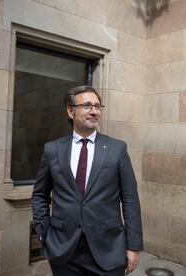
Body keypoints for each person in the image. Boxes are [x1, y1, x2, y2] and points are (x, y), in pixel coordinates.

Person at [31, 85, 143, 276]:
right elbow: (40, 195)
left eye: (98, 106)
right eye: (87, 106)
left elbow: (130, 200)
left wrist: (133, 246)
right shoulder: (53, 150)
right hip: (64, 251)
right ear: (70, 110)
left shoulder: (117, 149)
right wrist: (44, 233)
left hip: (108, 250)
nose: (94, 111)